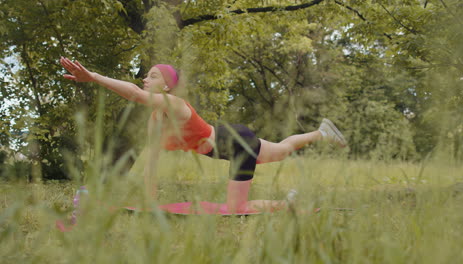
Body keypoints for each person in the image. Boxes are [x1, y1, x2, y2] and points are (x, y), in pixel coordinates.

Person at [59, 57, 347, 213]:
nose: (145, 79)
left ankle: (291, 205)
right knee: (283, 150)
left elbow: (134, 94)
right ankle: (321, 132)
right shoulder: (155, 121)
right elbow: (151, 166)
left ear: (169, 88)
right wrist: (149, 206)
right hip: (232, 139)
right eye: (146, 75)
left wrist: (93, 77)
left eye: (153, 76)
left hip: (234, 144)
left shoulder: (175, 105)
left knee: (237, 208)